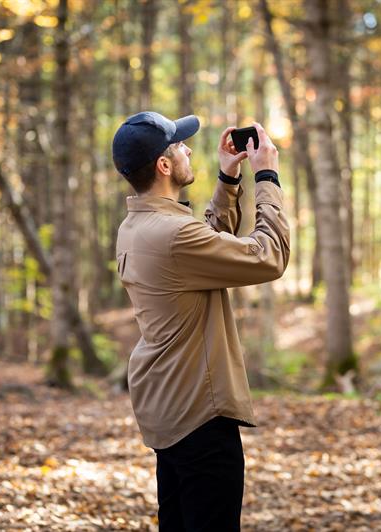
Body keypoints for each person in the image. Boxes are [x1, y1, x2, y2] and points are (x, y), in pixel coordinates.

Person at [112, 111, 289, 531]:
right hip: (199, 416)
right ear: (164, 165)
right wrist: (267, 178)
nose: (189, 148)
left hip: (167, 405)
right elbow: (269, 256)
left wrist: (229, 181)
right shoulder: (172, 234)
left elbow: (203, 247)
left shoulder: (137, 226)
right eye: (179, 145)